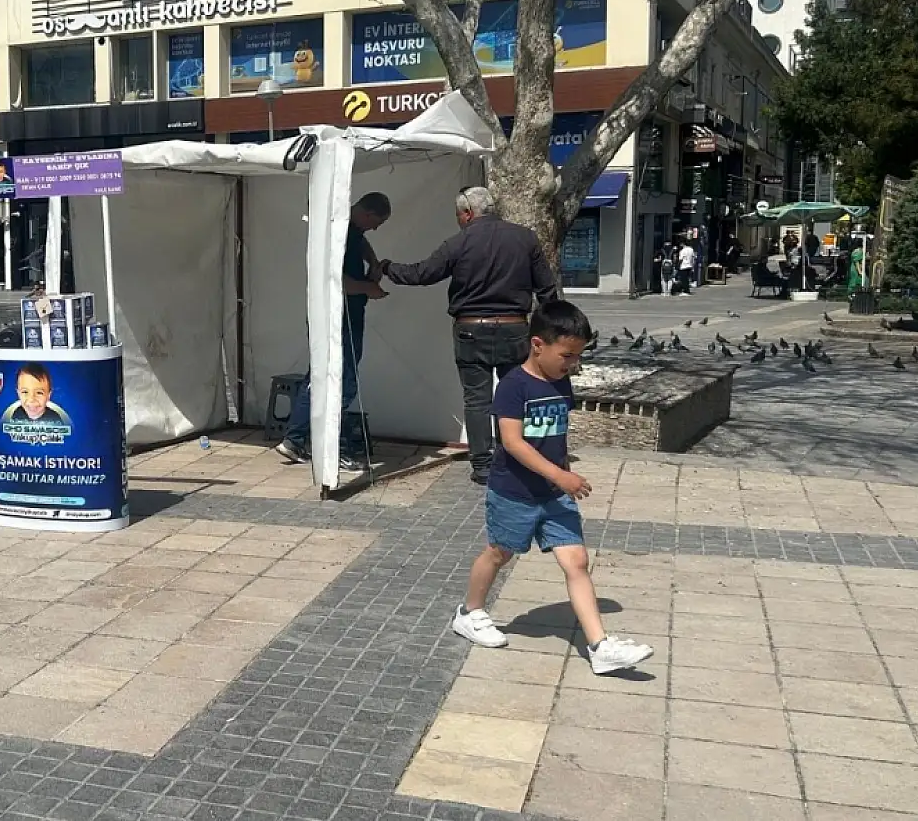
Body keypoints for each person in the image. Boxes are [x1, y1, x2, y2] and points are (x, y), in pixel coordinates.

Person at [449, 300, 655, 675]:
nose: (573, 363)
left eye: (578, 356)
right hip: (514, 492)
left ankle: (600, 646)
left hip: (555, 495)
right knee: (499, 553)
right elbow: (512, 442)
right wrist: (560, 475)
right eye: (567, 355)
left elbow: (556, 433)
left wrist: (562, 473)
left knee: (577, 561)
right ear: (537, 344)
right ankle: (470, 612)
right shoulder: (513, 386)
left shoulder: (561, 381)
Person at [380, 186, 559, 486]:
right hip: (515, 328)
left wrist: (387, 267)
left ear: (468, 213)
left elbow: (422, 274)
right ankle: (513, 457)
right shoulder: (525, 238)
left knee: (477, 400)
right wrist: (550, 331)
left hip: (470, 330)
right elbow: (546, 289)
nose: (458, 221)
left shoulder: (458, 243)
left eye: (458, 215)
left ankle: (483, 465)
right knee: (514, 395)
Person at [275, 192, 391, 472]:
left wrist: (373, 262)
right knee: (344, 381)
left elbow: (360, 243)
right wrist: (369, 288)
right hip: (340, 317)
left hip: (331, 315)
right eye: (377, 223)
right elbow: (337, 281)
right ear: (367, 214)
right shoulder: (342, 230)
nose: (376, 229)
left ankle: (294, 440)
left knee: (318, 377)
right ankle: (334, 450)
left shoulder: (345, 226)